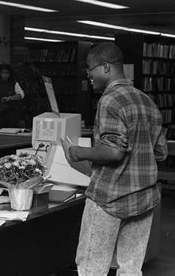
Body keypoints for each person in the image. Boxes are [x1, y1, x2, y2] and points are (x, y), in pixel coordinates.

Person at [60, 42, 167, 275]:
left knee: (92, 267)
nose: (88, 75)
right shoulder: (146, 101)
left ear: (106, 67)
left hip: (109, 199)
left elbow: (114, 151)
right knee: (130, 267)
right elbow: (160, 152)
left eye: (90, 69)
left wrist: (80, 152)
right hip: (143, 198)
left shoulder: (110, 100)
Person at [0, 63, 25, 131]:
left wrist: (10, 98)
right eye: (3, 73)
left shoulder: (14, 83)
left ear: (10, 74)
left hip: (11, 113)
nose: (5, 75)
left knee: (10, 133)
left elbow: (21, 95)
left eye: (7, 73)